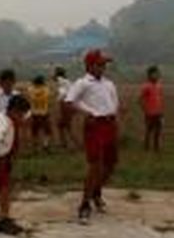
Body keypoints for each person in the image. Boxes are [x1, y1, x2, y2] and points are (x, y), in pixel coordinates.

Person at [66, 49, 120, 225]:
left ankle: (96, 191)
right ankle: (84, 204)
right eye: (100, 64)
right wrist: (86, 112)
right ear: (89, 65)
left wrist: (115, 119)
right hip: (95, 125)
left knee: (111, 164)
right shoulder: (83, 83)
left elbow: (114, 104)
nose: (103, 67)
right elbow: (69, 101)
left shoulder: (109, 84)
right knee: (95, 165)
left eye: (105, 64)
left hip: (110, 124)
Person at [0, 94, 31, 235]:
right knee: (4, 190)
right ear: (14, 111)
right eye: (22, 114)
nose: (23, 118)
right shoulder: (3, 122)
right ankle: (4, 221)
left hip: (3, 160)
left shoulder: (6, 117)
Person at [140, 65, 164, 152]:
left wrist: (161, 111)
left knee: (158, 131)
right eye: (154, 74)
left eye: (157, 74)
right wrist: (145, 109)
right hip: (149, 113)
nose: (156, 75)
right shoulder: (146, 86)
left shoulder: (159, 86)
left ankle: (156, 147)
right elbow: (141, 99)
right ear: (149, 75)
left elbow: (160, 99)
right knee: (148, 131)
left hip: (158, 112)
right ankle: (146, 147)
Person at [53, 67, 78, 150]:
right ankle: (66, 144)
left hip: (65, 105)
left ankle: (71, 144)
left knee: (66, 126)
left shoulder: (60, 81)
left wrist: (57, 100)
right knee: (62, 125)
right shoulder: (68, 81)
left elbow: (63, 93)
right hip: (71, 104)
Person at [28, 75, 53, 153]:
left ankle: (35, 148)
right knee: (48, 132)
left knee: (34, 132)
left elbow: (29, 96)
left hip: (34, 113)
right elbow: (49, 98)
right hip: (44, 113)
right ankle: (45, 145)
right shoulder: (46, 89)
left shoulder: (31, 89)